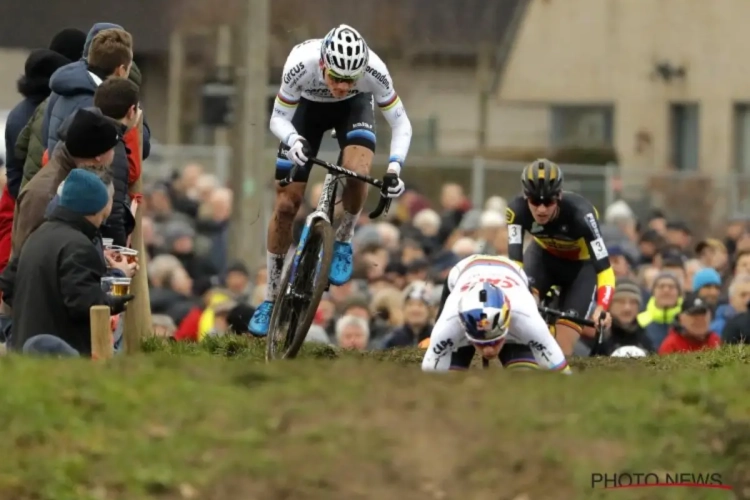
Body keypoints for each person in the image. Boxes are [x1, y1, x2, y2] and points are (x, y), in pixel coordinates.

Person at [248, 24, 413, 335]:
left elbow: (402, 124)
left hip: (354, 110)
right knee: (285, 205)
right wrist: (294, 141)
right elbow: (277, 118)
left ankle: (344, 239)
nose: (340, 85)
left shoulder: (374, 72)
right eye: (336, 76)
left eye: (349, 79)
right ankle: (270, 299)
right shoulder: (300, 63)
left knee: (358, 172)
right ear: (323, 63)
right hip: (306, 113)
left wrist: (394, 169)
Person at [0, 169, 133, 356]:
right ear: (99, 207)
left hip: (26, 354)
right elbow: (91, 306)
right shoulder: (78, 246)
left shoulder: (39, 234)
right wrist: (120, 277)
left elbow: (8, 285)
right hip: (61, 357)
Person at [505, 159, 614, 356]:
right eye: (535, 202)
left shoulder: (582, 214)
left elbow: (605, 269)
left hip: (581, 269)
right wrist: (523, 294)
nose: (541, 209)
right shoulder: (515, 211)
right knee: (523, 309)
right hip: (542, 260)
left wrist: (603, 307)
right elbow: (515, 262)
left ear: (559, 196)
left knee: (562, 348)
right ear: (525, 197)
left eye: (548, 202)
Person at [422, 254, 571, 373]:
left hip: (513, 273)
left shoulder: (527, 318)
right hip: (461, 273)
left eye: (495, 341)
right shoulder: (449, 323)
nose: (488, 350)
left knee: (524, 375)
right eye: (481, 343)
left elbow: (562, 373)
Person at [11, 107, 120, 255]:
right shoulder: (43, 193)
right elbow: (27, 256)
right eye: (112, 149)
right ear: (99, 157)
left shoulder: (73, 179)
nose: (114, 155)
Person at [92, 77, 142, 245]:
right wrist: (118, 249)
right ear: (131, 111)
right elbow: (114, 210)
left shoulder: (88, 135)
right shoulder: (114, 150)